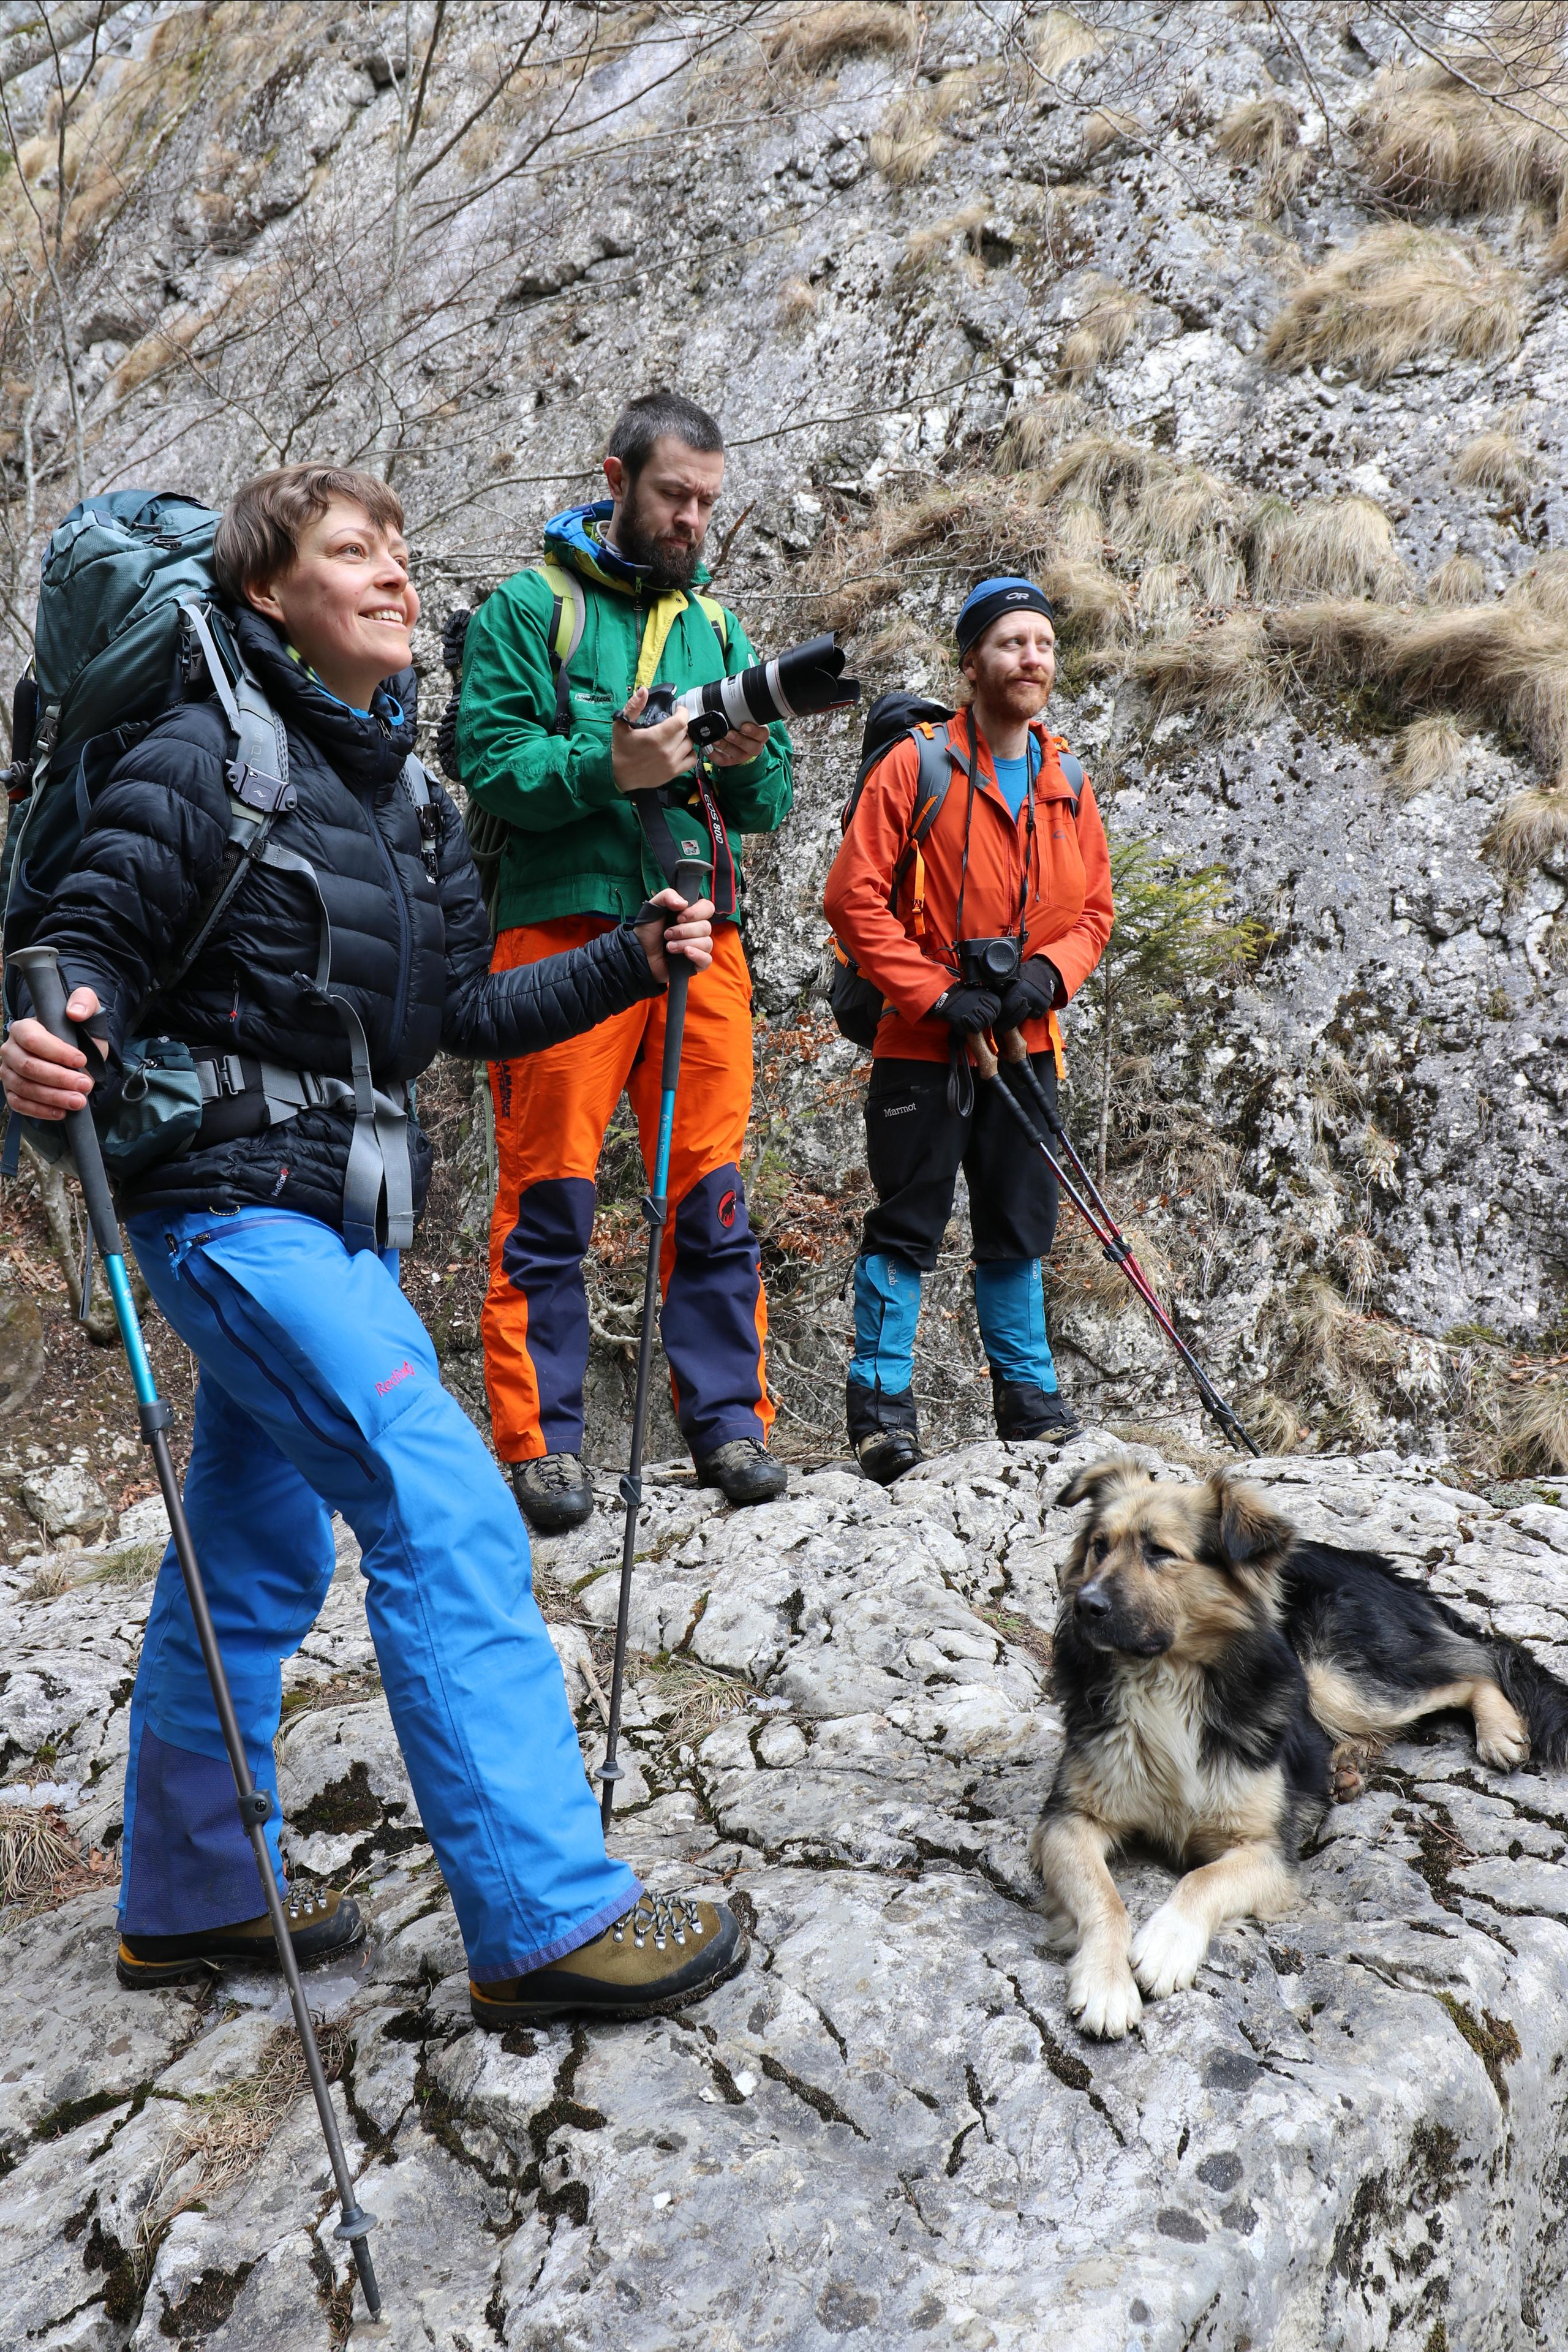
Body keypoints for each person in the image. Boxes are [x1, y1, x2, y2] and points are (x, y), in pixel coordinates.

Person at [0, 464, 747, 2029]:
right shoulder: (203, 752)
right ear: (269, 594)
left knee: (255, 1551)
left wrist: (628, 954)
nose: (398, 577)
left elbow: (458, 1016)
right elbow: (80, 935)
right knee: (441, 1501)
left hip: (331, 1220)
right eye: (355, 553)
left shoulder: (401, 796)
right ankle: (543, 1916)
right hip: (226, 1211)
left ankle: (193, 1895)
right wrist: (51, 1025)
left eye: (402, 550)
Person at [456, 390, 794, 1532]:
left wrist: (742, 757)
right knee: (547, 1186)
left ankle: (729, 1425)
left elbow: (772, 798)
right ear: (616, 480)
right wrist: (615, 765)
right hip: (560, 930)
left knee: (711, 1185)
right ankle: (542, 1444)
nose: (692, 517)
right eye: (672, 495)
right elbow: (491, 763)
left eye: (707, 499)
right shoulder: (525, 609)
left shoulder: (719, 627)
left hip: (703, 930)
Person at [823, 577, 1114, 1484]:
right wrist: (936, 995)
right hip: (921, 1043)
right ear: (970, 664)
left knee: (1018, 1225)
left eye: (1044, 646)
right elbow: (852, 898)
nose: (1032, 659)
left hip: (1029, 1043)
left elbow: (1093, 911)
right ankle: (880, 1414)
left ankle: (1030, 1406)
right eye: (1011, 644)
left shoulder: (1067, 777)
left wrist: (1041, 979)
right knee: (909, 1222)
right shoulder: (917, 767)